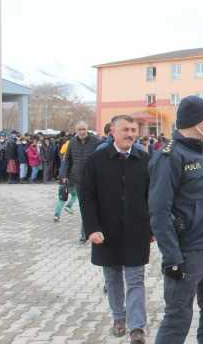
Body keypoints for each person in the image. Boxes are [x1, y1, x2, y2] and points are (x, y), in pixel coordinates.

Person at [149, 96, 203, 343]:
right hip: (187, 252)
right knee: (178, 317)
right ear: (196, 122)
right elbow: (159, 212)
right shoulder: (169, 157)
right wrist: (172, 257)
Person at [80, 115, 150, 343]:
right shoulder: (96, 160)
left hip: (136, 230)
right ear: (112, 131)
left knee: (136, 279)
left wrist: (153, 228)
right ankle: (119, 317)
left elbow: (153, 196)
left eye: (133, 129)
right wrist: (91, 228)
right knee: (112, 277)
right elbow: (87, 197)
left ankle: (137, 326)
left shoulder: (145, 159)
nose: (131, 134)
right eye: (125, 129)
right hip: (105, 232)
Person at [60, 121, 101, 241]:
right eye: (79, 130)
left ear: (87, 129)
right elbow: (67, 160)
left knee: (94, 205)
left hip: (93, 178)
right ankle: (84, 233)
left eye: (84, 129)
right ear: (76, 130)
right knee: (84, 206)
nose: (82, 132)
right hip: (77, 178)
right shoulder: (71, 142)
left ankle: (94, 230)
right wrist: (64, 175)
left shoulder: (95, 141)